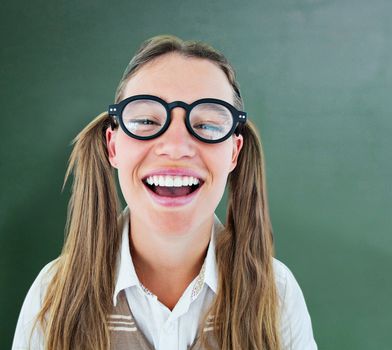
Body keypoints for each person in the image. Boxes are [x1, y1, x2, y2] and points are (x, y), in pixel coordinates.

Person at [11, 35, 318, 350]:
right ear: (113, 146)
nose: (175, 147)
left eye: (207, 125)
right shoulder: (52, 295)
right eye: (146, 120)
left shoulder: (276, 294)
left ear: (233, 154)